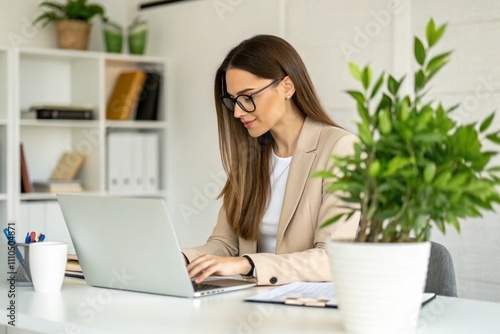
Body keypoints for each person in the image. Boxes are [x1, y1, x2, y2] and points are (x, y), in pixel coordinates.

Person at [182, 34, 360, 286]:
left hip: (312, 308)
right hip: (257, 304)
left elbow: (333, 258)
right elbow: (225, 244)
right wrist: (183, 259)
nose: (237, 112)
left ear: (287, 86)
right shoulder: (251, 156)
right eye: (233, 101)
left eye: (248, 97)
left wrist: (249, 264)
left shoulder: (340, 148)